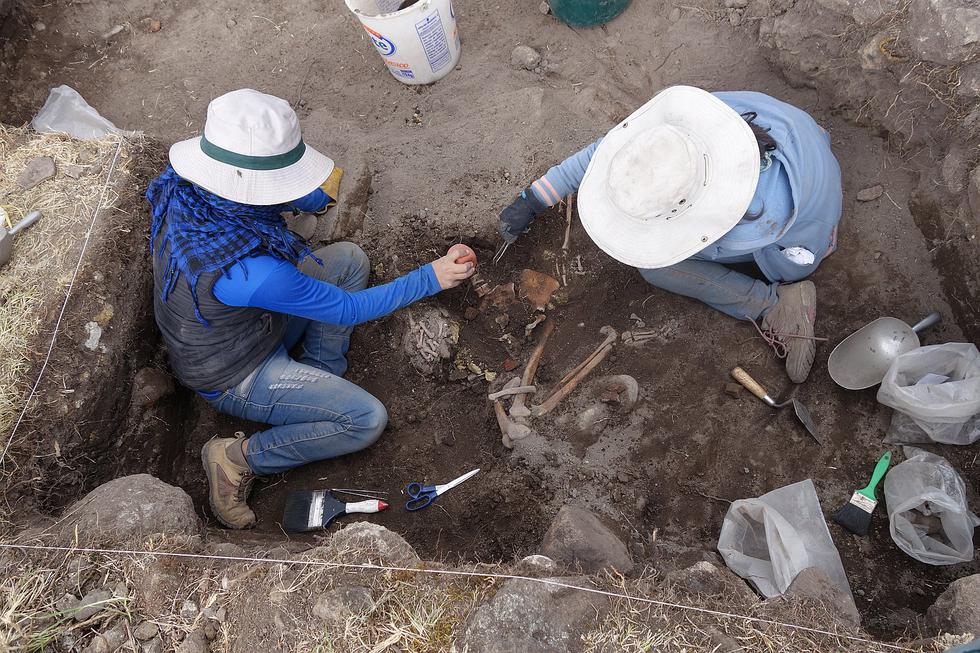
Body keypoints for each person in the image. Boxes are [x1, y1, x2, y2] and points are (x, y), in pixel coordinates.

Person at [147, 89, 474, 529]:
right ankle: (236, 458)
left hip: (241, 328)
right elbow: (348, 310)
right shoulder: (254, 272)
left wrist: (309, 195)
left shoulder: (187, 195)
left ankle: (320, 374)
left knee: (347, 260)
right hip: (232, 374)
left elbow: (271, 207)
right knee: (365, 419)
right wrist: (430, 277)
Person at [497, 86, 842, 383]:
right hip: (798, 135)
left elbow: (683, 245)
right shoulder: (691, 132)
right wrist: (534, 198)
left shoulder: (758, 220)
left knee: (657, 266)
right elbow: (606, 153)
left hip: (801, 238)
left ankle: (776, 304)